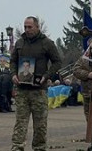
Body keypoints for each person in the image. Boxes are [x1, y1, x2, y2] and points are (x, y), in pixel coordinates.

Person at [10, 16, 62, 151]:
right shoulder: (20, 43)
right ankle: (17, 147)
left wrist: (47, 75)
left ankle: (39, 148)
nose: (27, 30)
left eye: (30, 27)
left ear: (37, 27)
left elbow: (57, 62)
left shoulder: (47, 43)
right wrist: (13, 74)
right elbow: (13, 61)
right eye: (25, 27)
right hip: (22, 89)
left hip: (39, 90)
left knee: (40, 124)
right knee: (20, 123)